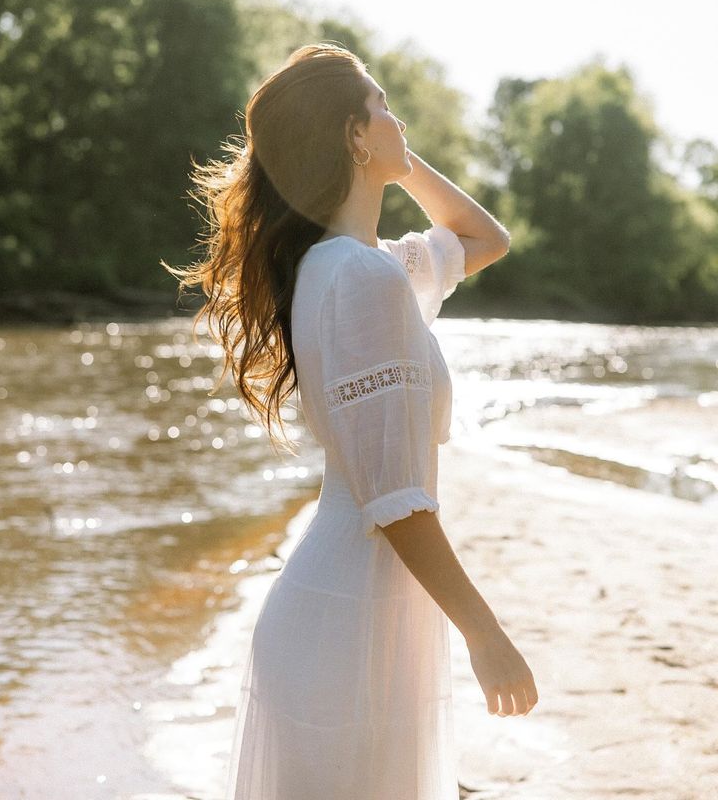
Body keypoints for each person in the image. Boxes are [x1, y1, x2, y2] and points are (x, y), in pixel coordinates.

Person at [163, 43, 538, 800]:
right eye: (384, 105)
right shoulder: (363, 279)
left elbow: (483, 237)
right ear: (352, 136)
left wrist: (392, 154)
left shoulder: (356, 267)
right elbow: (395, 501)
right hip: (349, 625)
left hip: (361, 610)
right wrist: (485, 633)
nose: (398, 118)